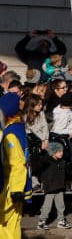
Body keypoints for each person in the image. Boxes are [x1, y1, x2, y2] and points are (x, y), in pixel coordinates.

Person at [0, 91, 32, 235]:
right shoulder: (19, 127)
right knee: (13, 223)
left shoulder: (10, 134)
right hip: (17, 186)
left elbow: (18, 163)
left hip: (10, 186)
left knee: (4, 222)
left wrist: (16, 189)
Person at [34, 140, 71, 230]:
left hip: (60, 186)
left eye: (62, 151)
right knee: (47, 205)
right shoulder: (47, 161)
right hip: (50, 187)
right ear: (53, 152)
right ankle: (42, 221)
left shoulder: (62, 161)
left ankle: (61, 221)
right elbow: (39, 162)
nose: (61, 153)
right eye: (59, 151)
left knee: (61, 205)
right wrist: (42, 151)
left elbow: (67, 172)